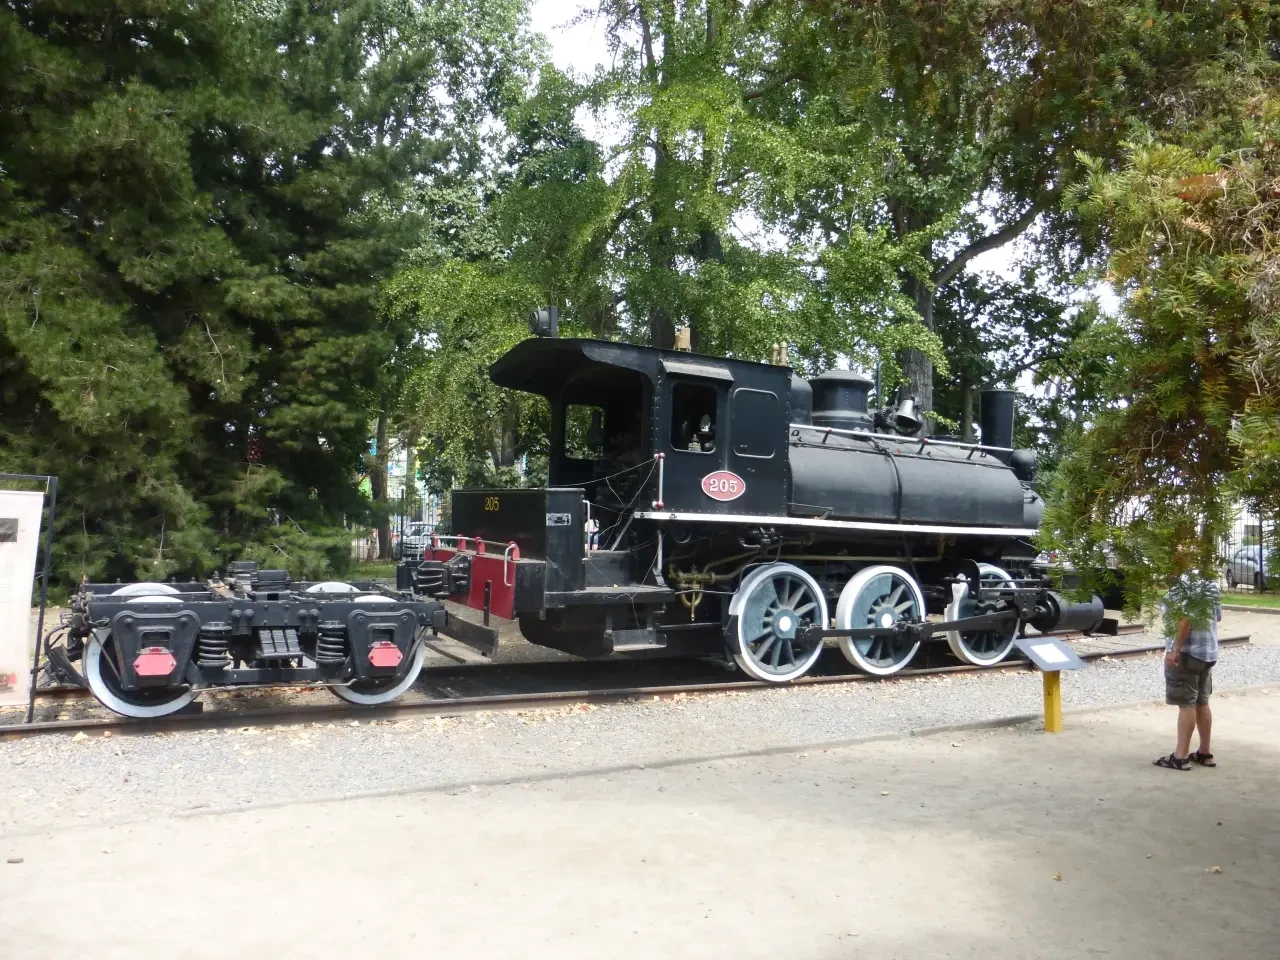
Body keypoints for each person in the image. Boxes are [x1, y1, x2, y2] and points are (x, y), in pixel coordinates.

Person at [1153, 567, 1222, 771]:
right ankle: (1204, 752)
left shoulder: (1182, 585)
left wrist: (1175, 649)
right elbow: (1217, 616)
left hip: (1188, 653)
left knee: (1186, 703)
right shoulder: (1210, 581)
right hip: (1208, 652)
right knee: (1202, 701)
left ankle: (1180, 756)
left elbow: (1184, 620)